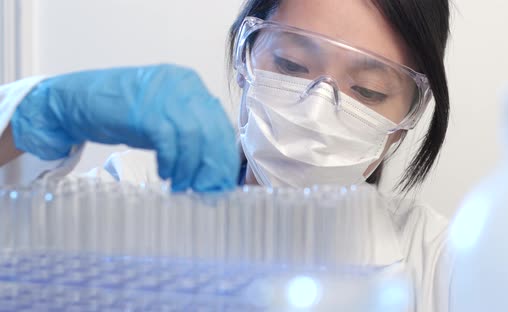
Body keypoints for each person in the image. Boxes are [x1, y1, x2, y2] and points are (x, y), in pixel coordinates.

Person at [0, 0, 452, 311]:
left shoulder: (437, 263)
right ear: (244, 57)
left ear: (403, 125)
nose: (317, 111)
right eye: (291, 65)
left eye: (368, 92)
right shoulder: (132, 197)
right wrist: (37, 114)